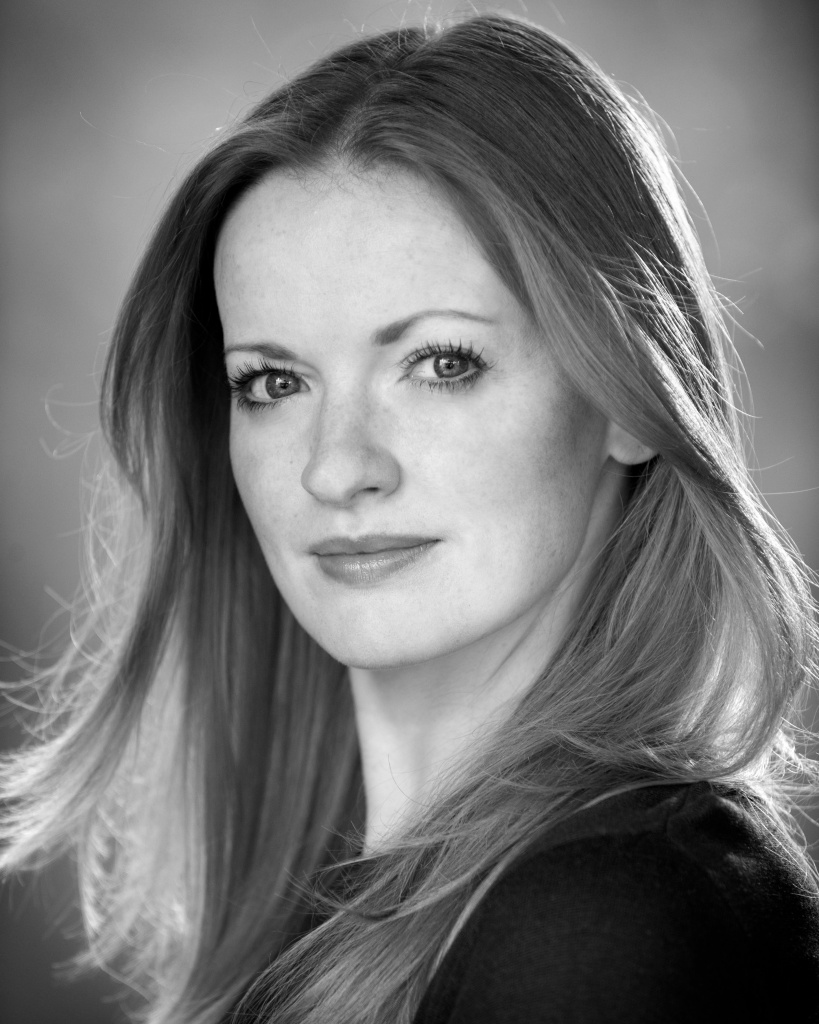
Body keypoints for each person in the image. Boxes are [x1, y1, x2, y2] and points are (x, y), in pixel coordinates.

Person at [2, 9, 818, 1024]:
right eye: (272, 382)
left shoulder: (604, 921)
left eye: (441, 363)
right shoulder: (355, 912)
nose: (337, 468)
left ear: (624, 398)